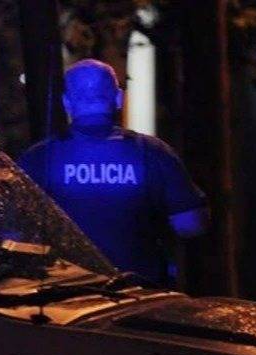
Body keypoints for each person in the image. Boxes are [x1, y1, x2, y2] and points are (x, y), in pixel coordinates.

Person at [18, 59, 209, 285]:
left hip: (68, 295)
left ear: (66, 102)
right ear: (118, 98)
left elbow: (16, 231)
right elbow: (189, 224)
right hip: (141, 294)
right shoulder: (152, 152)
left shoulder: (39, 157)